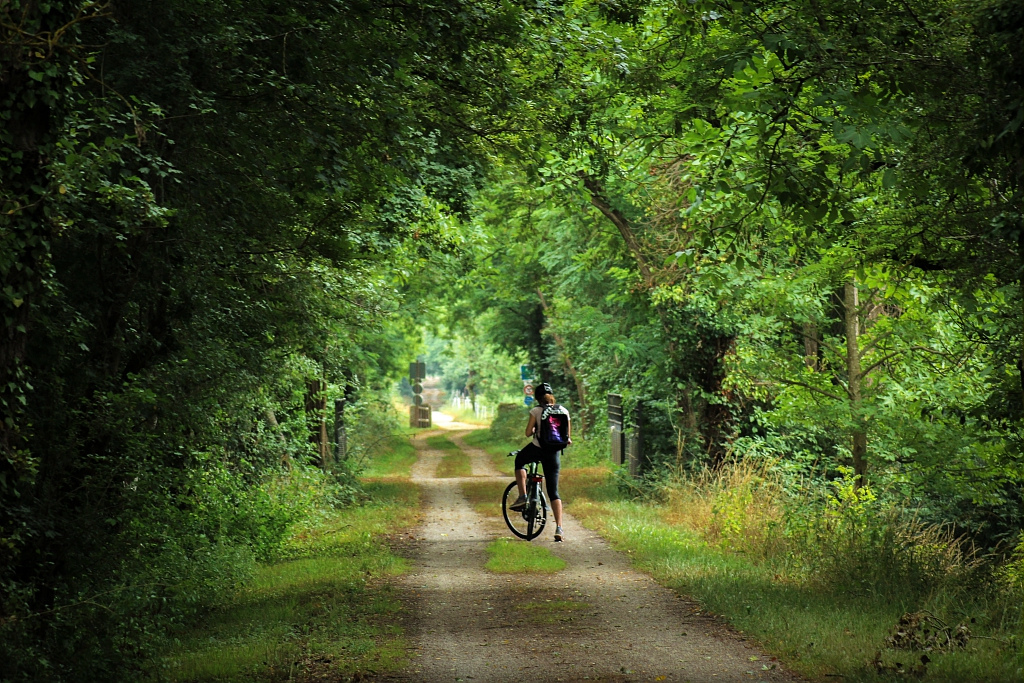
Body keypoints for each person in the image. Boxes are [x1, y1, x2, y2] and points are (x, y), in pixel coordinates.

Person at [508, 383, 570, 542]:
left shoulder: (536, 411)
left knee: (519, 460)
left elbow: (528, 432)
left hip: (537, 448)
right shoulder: (563, 411)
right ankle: (559, 529)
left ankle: (522, 496)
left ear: (537, 397)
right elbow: (567, 438)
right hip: (553, 453)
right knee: (553, 492)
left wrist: (536, 429)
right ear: (552, 395)